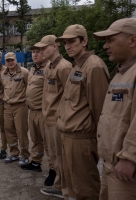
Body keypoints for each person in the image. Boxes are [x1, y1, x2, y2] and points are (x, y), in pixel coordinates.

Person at [55, 24, 109, 199]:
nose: (68, 46)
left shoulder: (93, 67)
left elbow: (101, 109)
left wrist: (101, 143)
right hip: (69, 135)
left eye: (72, 41)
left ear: (84, 41)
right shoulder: (77, 66)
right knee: (71, 186)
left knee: (85, 188)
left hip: (82, 138)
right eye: (65, 43)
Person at [93, 18, 136, 200]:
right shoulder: (121, 72)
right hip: (112, 165)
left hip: (126, 170)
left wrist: (130, 157)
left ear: (132, 40)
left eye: (111, 40)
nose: (105, 46)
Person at [36, 35, 72, 198]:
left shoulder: (64, 67)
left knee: (60, 156)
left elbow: (69, 96)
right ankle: (59, 185)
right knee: (53, 155)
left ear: (55, 46)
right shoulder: (50, 66)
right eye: (40, 48)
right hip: (48, 118)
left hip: (57, 120)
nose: (41, 51)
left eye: (44, 48)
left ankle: (66, 189)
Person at [21, 43, 52, 172]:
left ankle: (53, 169)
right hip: (32, 110)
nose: (35, 54)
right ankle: (35, 162)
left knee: (48, 142)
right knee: (35, 139)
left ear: (44, 53)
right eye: (33, 52)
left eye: (38, 52)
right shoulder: (33, 69)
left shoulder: (49, 68)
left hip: (43, 111)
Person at [0, 52, 30, 166]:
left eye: (12, 60)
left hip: (20, 105)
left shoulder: (24, 72)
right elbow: (4, 89)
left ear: (16, 60)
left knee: (21, 131)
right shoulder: (3, 74)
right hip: (7, 106)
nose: (10, 62)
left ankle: (25, 155)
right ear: (5, 62)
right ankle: (14, 153)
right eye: (8, 61)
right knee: (8, 129)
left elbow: (29, 88)